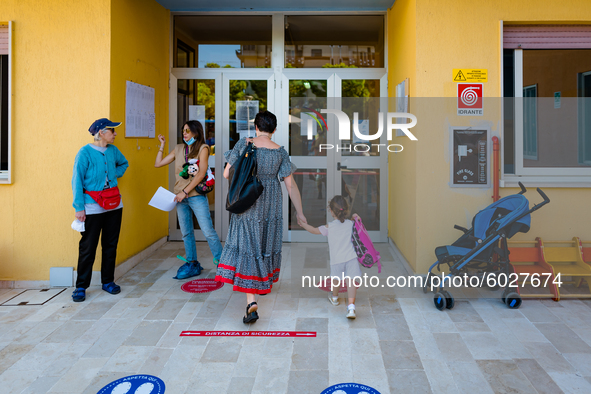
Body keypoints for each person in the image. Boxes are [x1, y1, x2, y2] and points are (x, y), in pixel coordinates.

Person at [215, 110, 307, 324]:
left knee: (249, 244)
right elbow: (291, 185)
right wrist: (300, 213)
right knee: (265, 241)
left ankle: (251, 301)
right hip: (271, 201)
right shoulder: (281, 152)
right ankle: (261, 283)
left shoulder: (244, 143)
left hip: (248, 199)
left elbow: (226, 174)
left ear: (256, 127)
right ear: (274, 130)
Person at [155, 120, 222, 279]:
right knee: (186, 232)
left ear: (196, 132)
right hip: (179, 197)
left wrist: (185, 192)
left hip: (195, 196)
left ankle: (222, 263)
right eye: (183, 130)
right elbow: (158, 164)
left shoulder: (203, 148)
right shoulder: (178, 148)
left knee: (208, 231)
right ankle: (192, 263)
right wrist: (162, 145)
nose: (184, 133)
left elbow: (201, 173)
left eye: (187, 131)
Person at [71, 118, 129, 302]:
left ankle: (108, 281)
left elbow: (124, 164)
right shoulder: (84, 153)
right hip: (91, 207)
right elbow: (77, 181)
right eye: (113, 130)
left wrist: (113, 174)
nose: (116, 133)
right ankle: (81, 286)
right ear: (102, 132)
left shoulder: (113, 151)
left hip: (114, 205)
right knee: (88, 247)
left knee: (110, 245)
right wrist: (79, 207)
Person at [298, 195, 361, 319]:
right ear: (346, 210)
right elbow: (360, 224)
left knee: (336, 279)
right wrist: (356, 216)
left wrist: (303, 224)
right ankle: (351, 307)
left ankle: (335, 298)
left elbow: (314, 230)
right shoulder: (351, 224)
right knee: (351, 281)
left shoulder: (329, 227)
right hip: (351, 258)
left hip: (337, 260)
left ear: (331, 211)